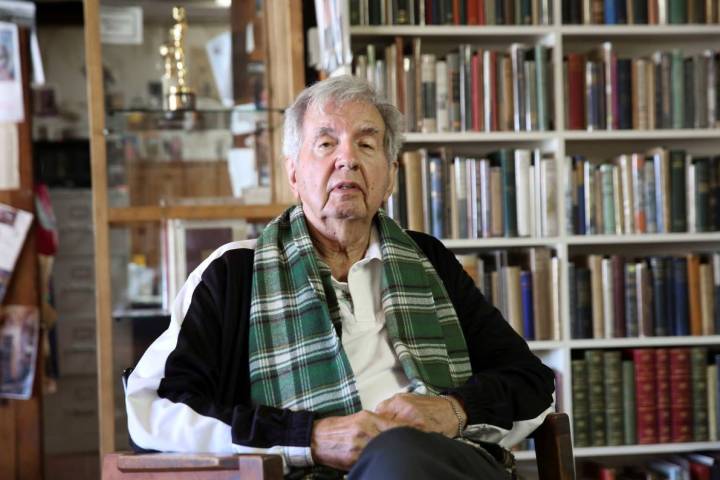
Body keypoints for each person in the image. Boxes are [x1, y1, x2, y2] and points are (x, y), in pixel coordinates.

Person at [125, 75, 555, 479]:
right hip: (306, 470)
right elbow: (153, 409)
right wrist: (307, 438)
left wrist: (454, 410)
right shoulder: (232, 273)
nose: (347, 158)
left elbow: (532, 385)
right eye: (326, 143)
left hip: (442, 463)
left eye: (366, 145)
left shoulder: (430, 261)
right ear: (293, 172)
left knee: (401, 455)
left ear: (390, 177)